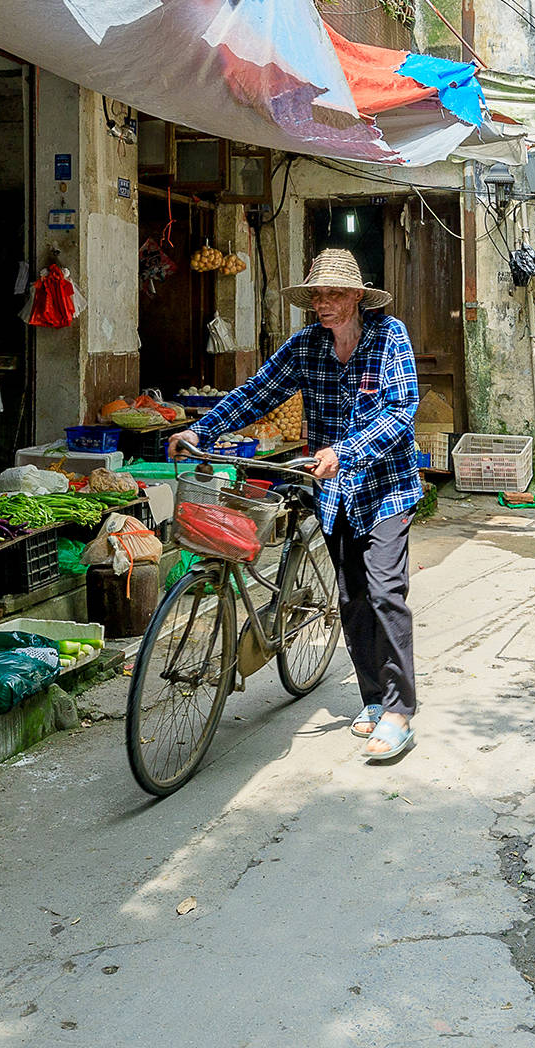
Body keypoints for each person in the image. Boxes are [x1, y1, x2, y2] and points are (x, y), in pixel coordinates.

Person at [168, 249, 423, 761]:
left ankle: (399, 711)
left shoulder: (389, 336)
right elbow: (258, 393)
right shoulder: (306, 346)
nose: (323, 305)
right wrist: (202, 427)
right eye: (316, 297)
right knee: (352, 596)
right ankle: (373, 698)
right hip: (332, 491)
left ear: (357, 296)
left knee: (385, 591)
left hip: (386, 487)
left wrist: (344, 452)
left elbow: (401, 410)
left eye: (333, 295)